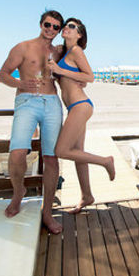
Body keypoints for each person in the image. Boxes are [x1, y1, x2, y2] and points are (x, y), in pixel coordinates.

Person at [0, 10, 65, 233]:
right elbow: (2, 74)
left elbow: (76, 58)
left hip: (52, 103)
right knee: (17, 153)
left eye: (56, 27)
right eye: (48, 24)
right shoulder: (23, 47)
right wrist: (20, 84)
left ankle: (47, 212)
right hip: (27, 101)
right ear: (41, 24)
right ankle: (19, 192)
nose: (51, 29)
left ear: (59, 30)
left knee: (51, 158)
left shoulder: (58, 51)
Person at [49, 17, 115, 214]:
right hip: (74, 107)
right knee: (78, 152)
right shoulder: (64, 53)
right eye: (66, 25)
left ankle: (106, 161)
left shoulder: (77, 51)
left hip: (80, 106)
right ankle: (87, 195)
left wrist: (60, 70)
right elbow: (77, 78)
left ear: (79, 34)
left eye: (72, 26)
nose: (66, 28)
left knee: (61, 150)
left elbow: (90, 77)